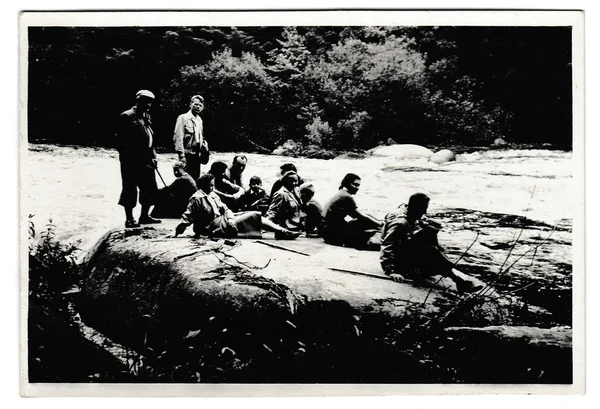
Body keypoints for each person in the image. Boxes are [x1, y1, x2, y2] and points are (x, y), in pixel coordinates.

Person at [380, 193, 484, 293]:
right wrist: (391, 271)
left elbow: (422, 220)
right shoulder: (399, 224)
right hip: (399, 261)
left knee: (431, 230)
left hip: (404, 249)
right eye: (422, 209)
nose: (424, 212)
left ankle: (449, 271)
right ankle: (459, 281)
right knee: (431, 250)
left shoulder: (407, 211)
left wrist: (426, 224)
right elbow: (387, 245)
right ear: (414, 207)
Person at [174, 174, 301, 240]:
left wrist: (229, 219)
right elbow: (187, 216)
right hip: (214, 227)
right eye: (210, 185)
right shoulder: (197, 198)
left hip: (224, 221)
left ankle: (282, 231)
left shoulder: (212, 195)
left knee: (251, 213)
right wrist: (177, 232)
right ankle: (283, 232)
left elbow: (226, 208)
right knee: (253, 215)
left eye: (213, 185)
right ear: (203, 186)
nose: (213, 188)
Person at [115, 90, 161, 228]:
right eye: (145, 101)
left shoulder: (146, 116)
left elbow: (150, 138)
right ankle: (129, 219)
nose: (148, 105)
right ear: (138, 101)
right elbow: (120, 143)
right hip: (131, 161)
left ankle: (144, 216)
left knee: (149, 187)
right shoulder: (127, 116)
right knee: (130, 188)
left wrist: (153, 156)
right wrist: (132, 160)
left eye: (150, 102)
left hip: (147, 159)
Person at [321, 173, 383, 248]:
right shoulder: (346, 197)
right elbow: (361, 217)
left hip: (326, 233)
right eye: (355, 185)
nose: (357, 188)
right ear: (347, 183)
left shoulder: (341, 193)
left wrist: (378, 222)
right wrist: (380, 224)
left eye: (358, 185)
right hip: (333, 236)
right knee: (365, 222)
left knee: (366, 219)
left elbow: (359, 214)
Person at [173, 94, 210, 180]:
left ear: (203, 107)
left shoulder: (200, 120)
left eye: (200, 105)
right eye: (195, 104)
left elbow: (200, 137)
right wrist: (181, 156)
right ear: (190, 104)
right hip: (187, 154)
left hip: (197, 155)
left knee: (195, 178)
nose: (197, 107)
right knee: (186, 179)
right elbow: (178, 137)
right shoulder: (183, 118)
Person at [265, 171, 303, 237]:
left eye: (295, 181)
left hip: (298, 228)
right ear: (285, 181)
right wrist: (265, 224)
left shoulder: (297, 191)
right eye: (291, 181)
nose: (294, 183)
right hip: (286, 230)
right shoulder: (281, 194)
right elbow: (272, 211)